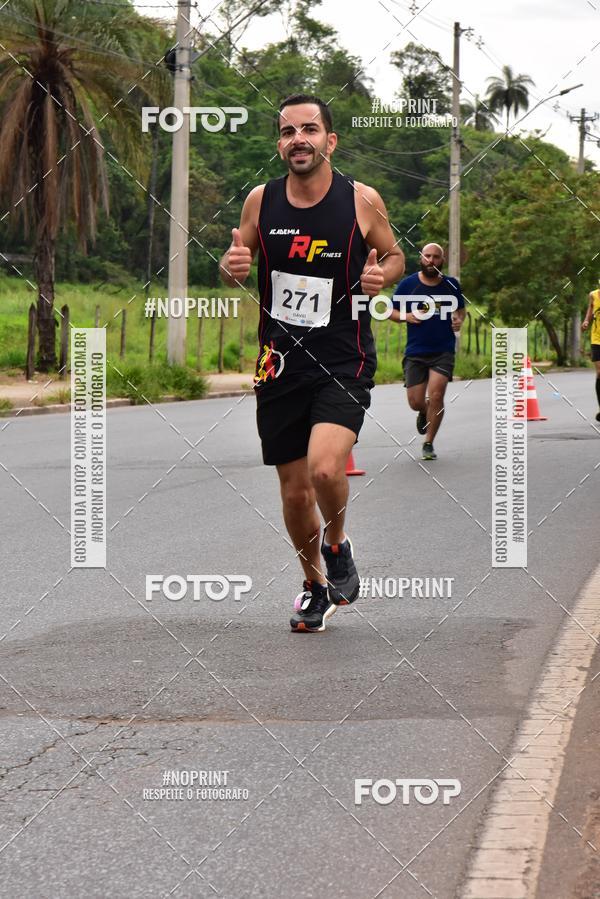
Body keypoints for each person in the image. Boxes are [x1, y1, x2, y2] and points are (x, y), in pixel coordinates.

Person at [219, 93, 405, 632]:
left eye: (309, 129)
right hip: (278, 363)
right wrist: (233, 265)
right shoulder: (260, 200)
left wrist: (381, 276)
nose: (297, 139)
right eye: (287, 131)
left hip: (343, 359)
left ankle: (337, 541)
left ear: (330, 140)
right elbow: (241, 260)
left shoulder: (359, 200)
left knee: (326, 467)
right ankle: (313, 585)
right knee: (295, 490)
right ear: (280, 143)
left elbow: (393, 255)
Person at [390, 243, 466, 460]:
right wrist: (406, 316)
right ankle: (424, 412)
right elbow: (390, 311)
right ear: (421, 258)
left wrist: (459, 320)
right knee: (415, 401)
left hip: (443, 349)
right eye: (427, 256)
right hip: (415, 350)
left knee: (436, 394)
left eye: (436, 257)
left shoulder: (451, 285)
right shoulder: (408, 285)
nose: (431, 260)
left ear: (442, 260)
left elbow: (461, 310)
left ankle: (428, 443)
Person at [581, 283, 600, 422]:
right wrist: (586, 320)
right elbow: (591, 308)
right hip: (597, 338)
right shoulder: (593, 295)